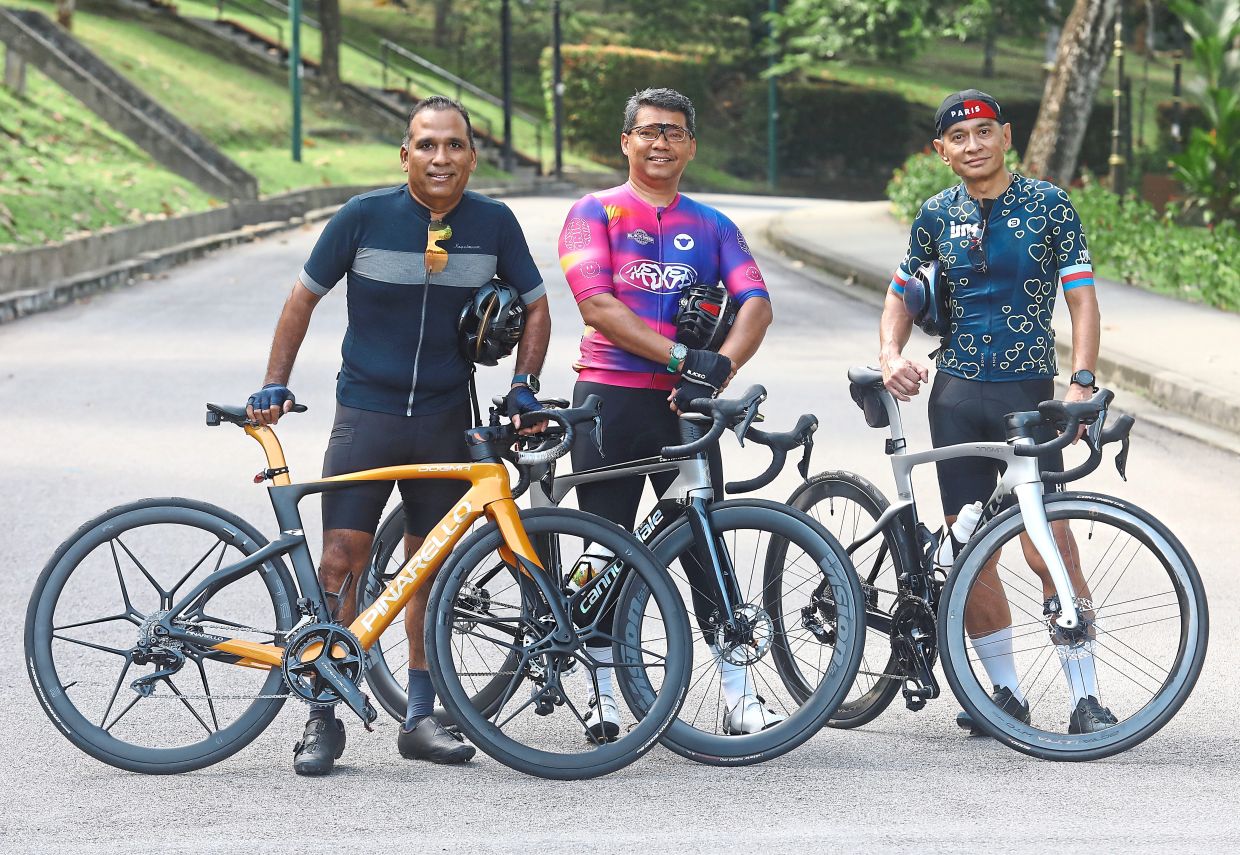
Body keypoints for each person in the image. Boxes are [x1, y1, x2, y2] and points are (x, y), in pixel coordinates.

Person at [246, 96, 551, 775]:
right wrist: (275, 380)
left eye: (452, 145)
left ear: (472, 154)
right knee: (340, 562)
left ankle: (420, 716)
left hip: (444, 418)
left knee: (426, 569)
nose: (439, 157)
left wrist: (525, 381)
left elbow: (537, 304)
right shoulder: (363, 216)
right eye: (426, 145)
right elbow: (302, 298)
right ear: (405, 154)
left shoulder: (494, 224)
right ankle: (322, 715)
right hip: (367, 414)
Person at [879, 89, 1116, 735]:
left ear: (1006, 137)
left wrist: (1082, 380)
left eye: (985, 131)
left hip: (1028, 395)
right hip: (954, 395)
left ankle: (1086, 698)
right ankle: (1002, 696)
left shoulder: (1049, 205)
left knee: (1051, 543)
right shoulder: (933, 214)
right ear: (941, 151)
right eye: (960, 137)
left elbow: (1082, 299)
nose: (974, 144)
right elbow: (901, 291)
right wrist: (888, 352)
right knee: (969, 548)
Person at [557, 87, 775, 739]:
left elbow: (756, 304)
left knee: (705, 549)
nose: (661, 142)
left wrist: (720, 368)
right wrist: (688, 358)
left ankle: (738, 692)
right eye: (648, 131)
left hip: (688, 408)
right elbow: (597, 305)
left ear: (691, 147)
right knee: (605, 543)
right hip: (610, 398)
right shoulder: (592, 213)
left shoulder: (712, 224)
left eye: (674, 132)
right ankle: (602, 694)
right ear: (625, 141)